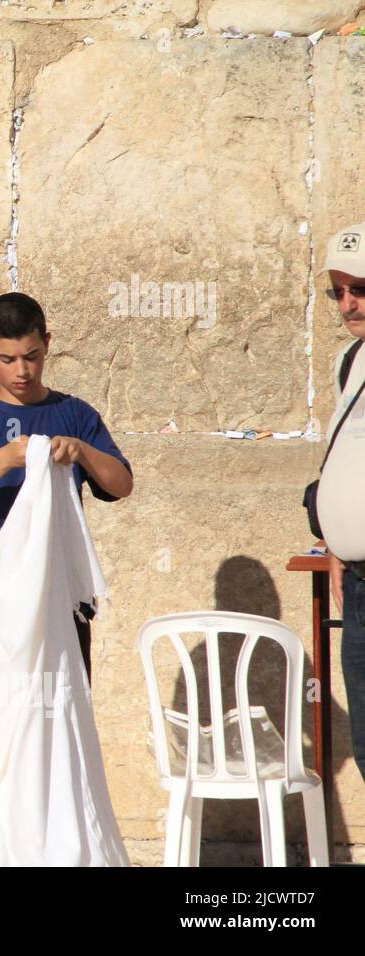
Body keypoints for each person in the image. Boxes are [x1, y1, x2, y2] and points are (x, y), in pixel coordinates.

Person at [0, 292, 133, 733]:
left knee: (60, 735)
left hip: (59, 605)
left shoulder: (74, 413)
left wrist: (80, 451)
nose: (21, 371)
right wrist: (4, 459)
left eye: (31, 356)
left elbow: (121, 484)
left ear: (47, 344)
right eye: (7, 359)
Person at [315, 222, 365, 781]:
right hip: (355, 583)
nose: (349, 304)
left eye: (361, 288)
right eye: (338, 291)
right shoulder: (349, 362)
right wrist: (333, 538)